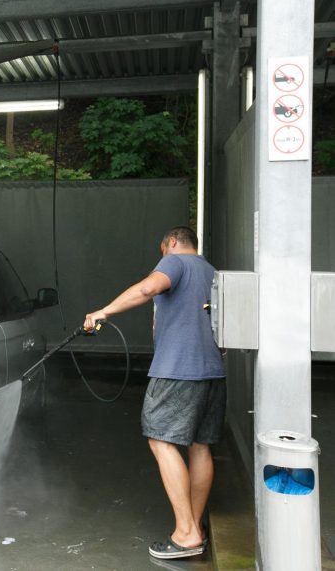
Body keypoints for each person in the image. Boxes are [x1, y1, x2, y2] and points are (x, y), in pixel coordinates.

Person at [83, 226, 225, 561]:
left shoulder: (176, 263)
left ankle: (187, 533)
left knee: (160, 440)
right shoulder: (211, 271)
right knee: (200, 446)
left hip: (178, 370)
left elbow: (148, 288)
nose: (161, 259)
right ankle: (195, 527)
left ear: (173, 243)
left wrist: (102, 312)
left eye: (162, 250)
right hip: (213, 371)